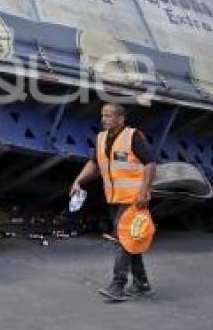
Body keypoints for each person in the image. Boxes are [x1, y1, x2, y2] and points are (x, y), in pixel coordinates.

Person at [70, 102, 157, 301]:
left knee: (122, 240)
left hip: (134, 199)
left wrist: (144, 191)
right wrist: (78, 181)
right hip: (115, 198)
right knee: (128, 240)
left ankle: (117, 285)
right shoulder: (101, 138)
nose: (104, 119)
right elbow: (94, 164)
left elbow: (150, 163)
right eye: (103, 115)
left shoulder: (133, 136)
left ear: (120, 118)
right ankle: (142, 283)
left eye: (109, 116)